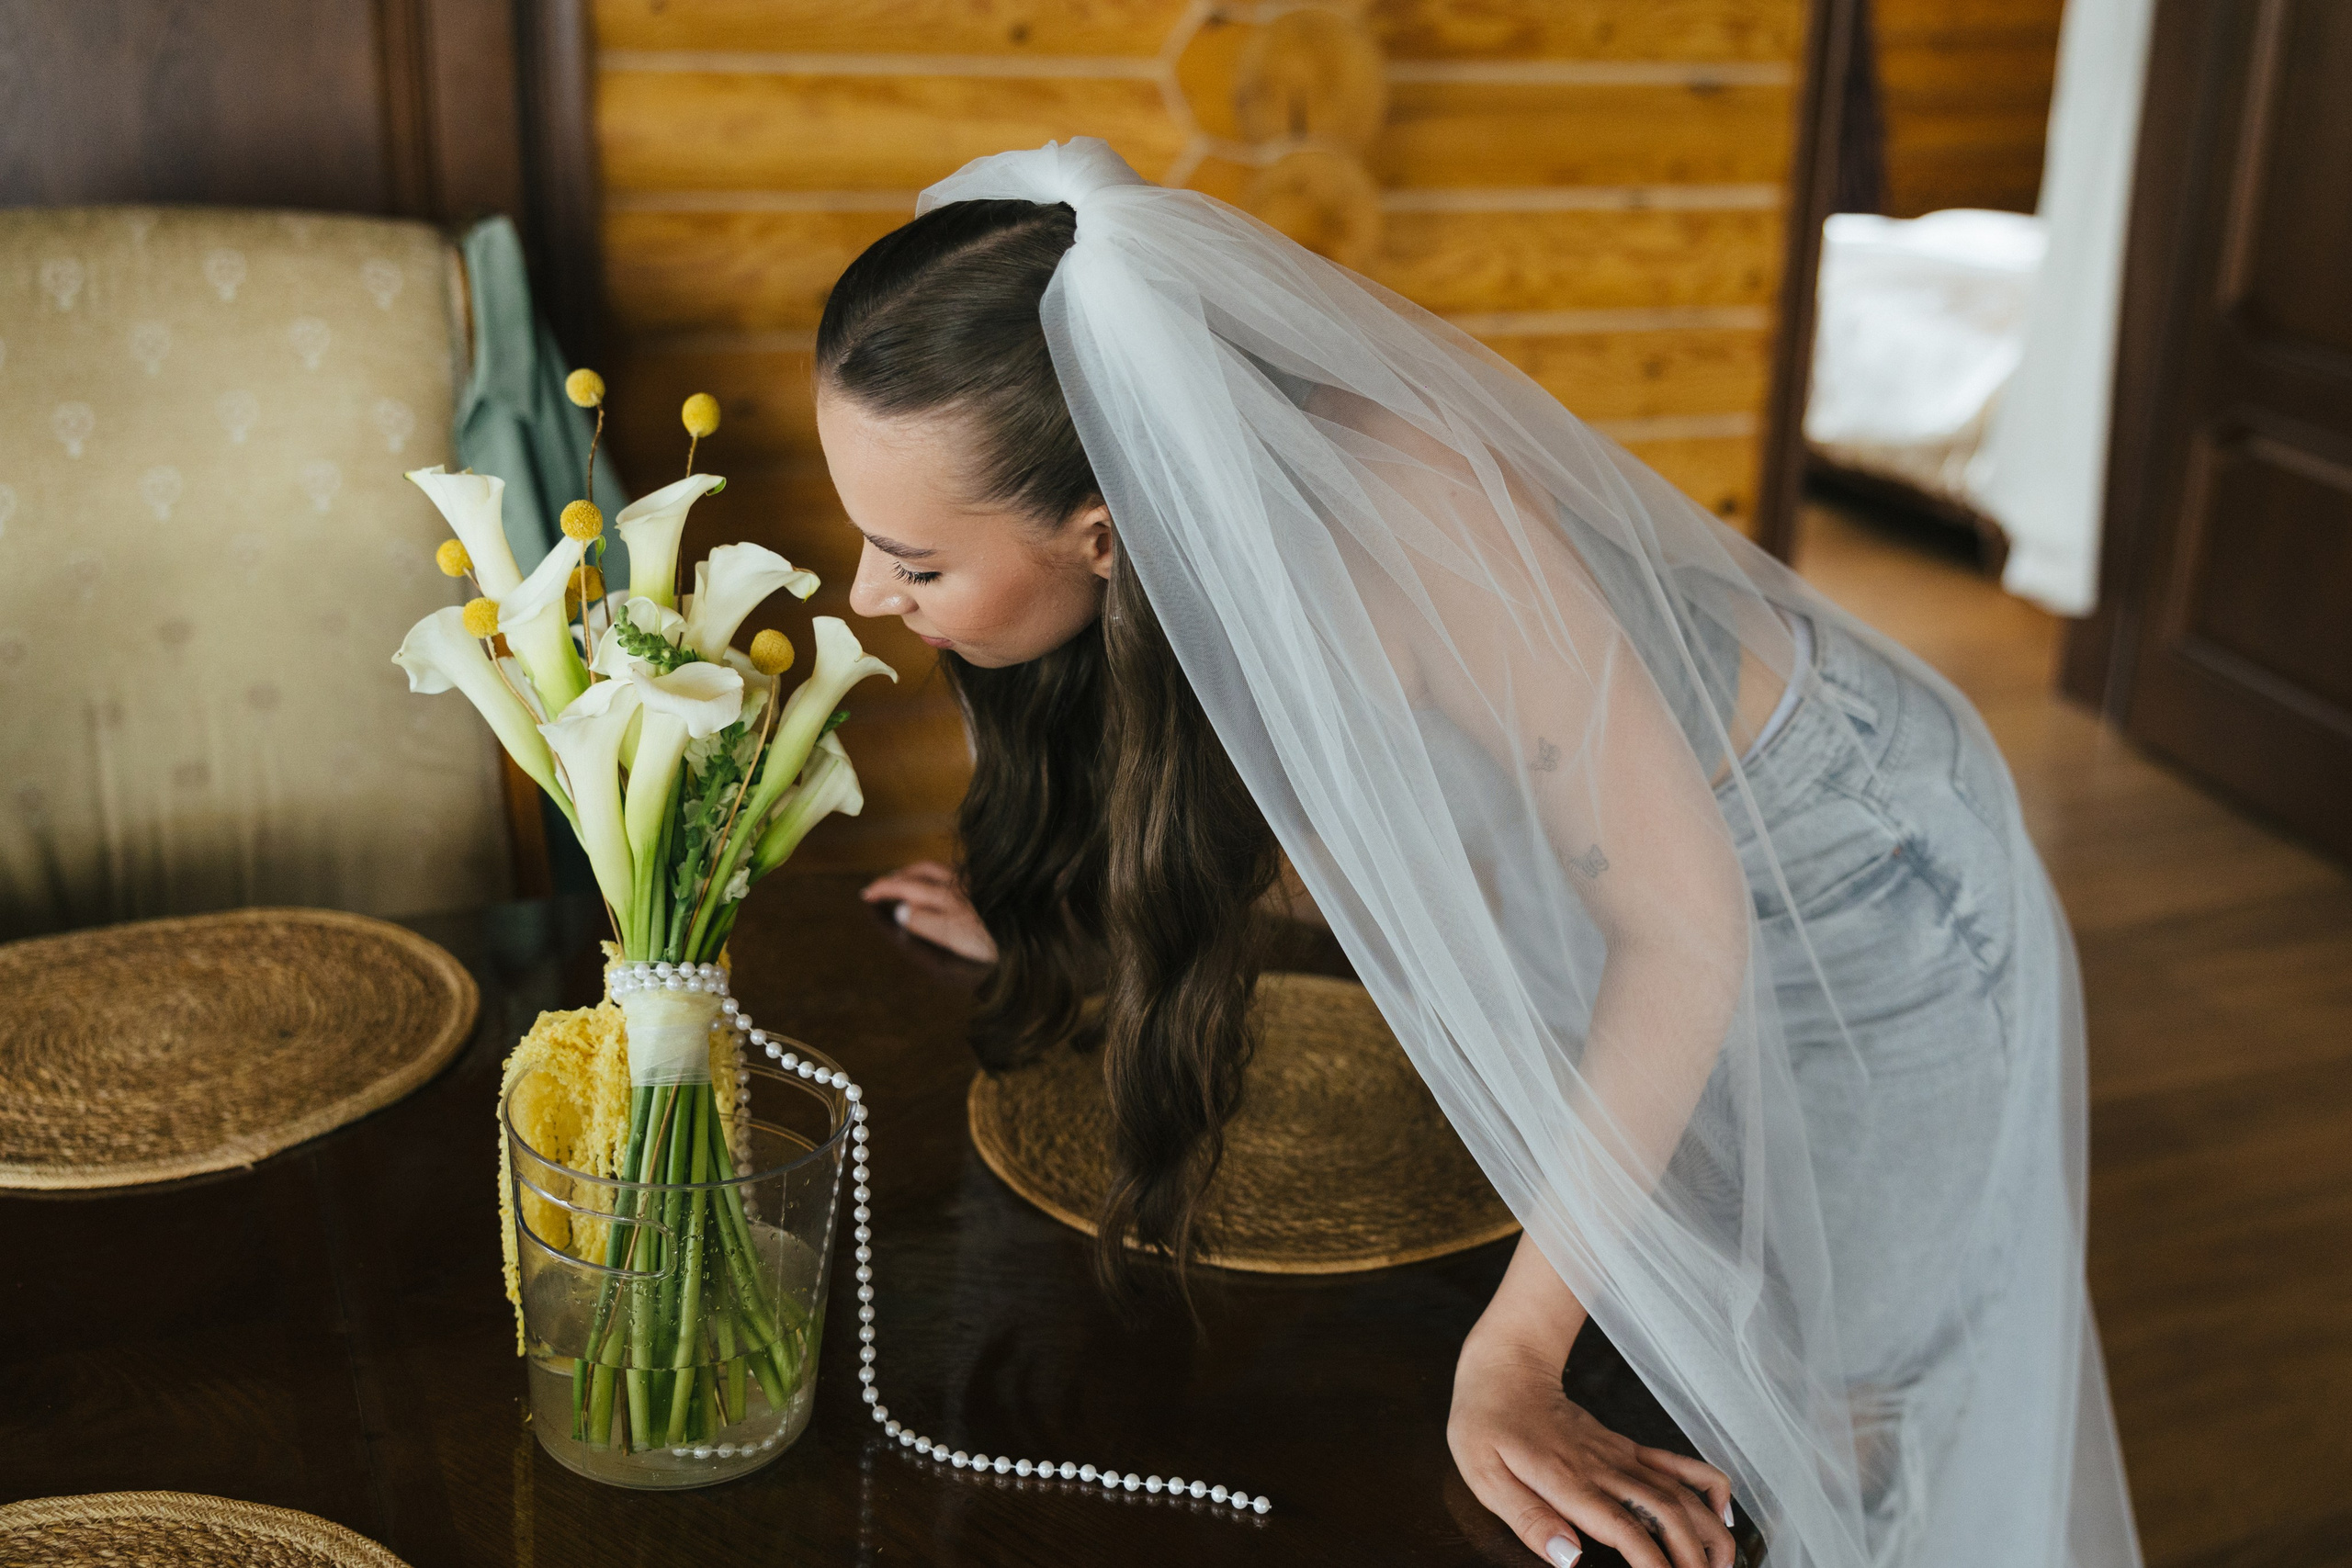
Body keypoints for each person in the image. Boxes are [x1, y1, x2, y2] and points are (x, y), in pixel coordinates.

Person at [827, 140, 2139, 1568]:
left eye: (913, 561)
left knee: (1846, 1407)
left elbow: (1682, 932)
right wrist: (1062, 922)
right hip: (1640, 870)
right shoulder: (1179, 519)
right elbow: (1358, 821)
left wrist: (1513, 1359)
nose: (864, 593)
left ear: (1095, 533)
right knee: (1701, 1322)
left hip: (1859, 868)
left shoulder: (1402, 516)